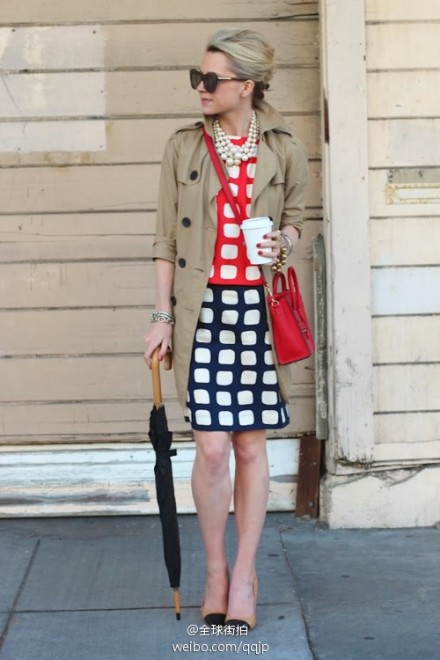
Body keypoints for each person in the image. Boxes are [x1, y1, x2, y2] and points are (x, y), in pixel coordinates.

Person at [144, 27, 308, 630]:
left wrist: (282, 243)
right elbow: (164, 239)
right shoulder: (182, 147)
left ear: (248, 85)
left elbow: (298, 221)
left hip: (256, 312)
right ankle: (214, 569)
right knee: (211, 447)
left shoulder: (284, 148)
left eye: (211, 80)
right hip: (203, 310)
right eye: (197, 77)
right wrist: (161, 318)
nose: (200, 88)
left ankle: (245, 576)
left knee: (249, 445)